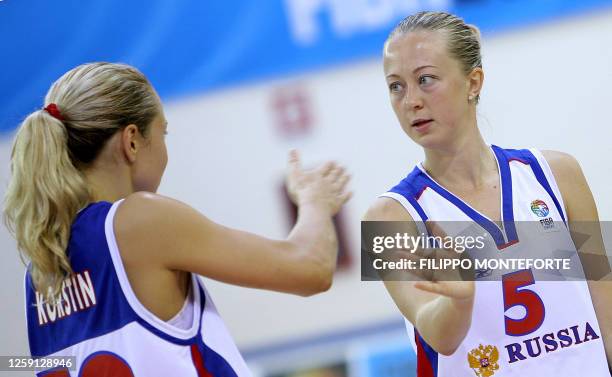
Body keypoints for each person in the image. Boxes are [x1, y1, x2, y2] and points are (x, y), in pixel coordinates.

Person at [3, 62, 351, 376]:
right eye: (163, 132)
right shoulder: (139, 221)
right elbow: (310, 269)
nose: (166, 148)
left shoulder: (41, 269)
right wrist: (314, 202)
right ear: (132, 142)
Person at [363, 11, 611, 376]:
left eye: (426, 80)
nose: (410, 100)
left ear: (473, 82)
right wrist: (458, 299)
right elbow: (437, 335)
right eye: (396, 86)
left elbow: (607, 320)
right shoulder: (388, 217)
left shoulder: (558, 174)